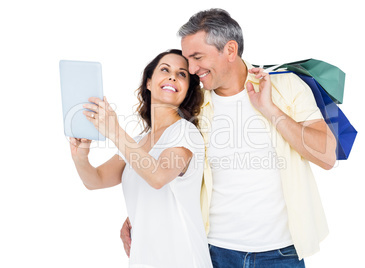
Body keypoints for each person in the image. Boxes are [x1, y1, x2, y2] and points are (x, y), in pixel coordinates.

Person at [121, 9, 337, 267]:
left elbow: (327, 156)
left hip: (282, 254)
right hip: (214, 253)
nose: (191, 69)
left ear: (230, 50)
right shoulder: (194, 106)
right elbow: (170, 165)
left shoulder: (285, 87)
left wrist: (270, 109)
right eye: (188, 60)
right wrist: (138, 213)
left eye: (197, 57)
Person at [70, 49, 213, 267]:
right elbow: (95, 180)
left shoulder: (185, 133)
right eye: (165, 70)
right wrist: (81, 156)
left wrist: (114, 130)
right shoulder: (136, 142)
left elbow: (158, 177)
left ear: (187, 91)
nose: (173, 76)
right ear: (148, 82)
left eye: (182, 74)